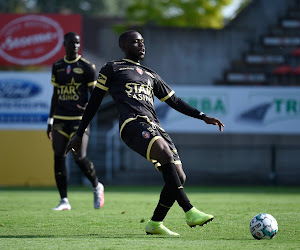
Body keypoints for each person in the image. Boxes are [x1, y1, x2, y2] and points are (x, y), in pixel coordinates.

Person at [66, 30, 224, 234]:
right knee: (164, 153)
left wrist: (202, 116)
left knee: (178, 177)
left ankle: (155, 224)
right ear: (123, 46)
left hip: (156, 127)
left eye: (142, 41)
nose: (142, 45)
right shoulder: (113, 68)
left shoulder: (151, 74)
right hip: (133, 124)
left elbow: (174, 102)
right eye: (135, 41)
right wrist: (79, 133)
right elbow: (94, 101)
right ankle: (190, 211)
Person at [47, 32, 104, 211]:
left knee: (79, 157)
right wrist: (50, 120)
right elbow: (55, 95)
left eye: (78, 43)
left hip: (79, 120)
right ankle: (64, 200)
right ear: (65, 44)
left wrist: (89, 105)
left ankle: (97, 186)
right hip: (60, 119)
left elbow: (95, 95)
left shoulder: (87, 67)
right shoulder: (57, 66)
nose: (75, 46)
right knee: (58, 156)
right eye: (72, 43)